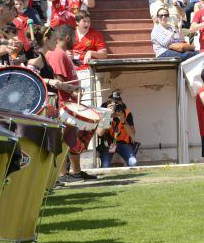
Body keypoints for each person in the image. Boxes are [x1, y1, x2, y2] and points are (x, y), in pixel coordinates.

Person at [47, 25, 95, 182]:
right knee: (64, 139)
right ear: (67, 38)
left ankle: (76, 171)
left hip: (69, 103)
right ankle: (62, 174)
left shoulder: (61, 54)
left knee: (71, 138)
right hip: (63, 104)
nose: (75, 40)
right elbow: (58, 81)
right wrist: (74, 92)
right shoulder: (57, 54)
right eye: (74, 37)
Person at [97, 95, 138, 168]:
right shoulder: (105, 112)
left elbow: (132, 134)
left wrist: (123, 121)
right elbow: (100, 133)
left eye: (118, 105)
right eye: (114, 105)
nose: (116, 108)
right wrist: (107, 116)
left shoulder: (126, 113)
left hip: (124, 144)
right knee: (105, 165)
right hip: (109, 144)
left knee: (133, 162)